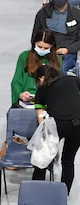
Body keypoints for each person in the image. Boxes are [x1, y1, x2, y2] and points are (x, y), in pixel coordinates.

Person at [32, 65, 80, 194]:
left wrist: (44, 132)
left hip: (57, 125)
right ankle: (63, 196)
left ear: (42, 77)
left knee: (42, 159)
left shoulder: (42, 89)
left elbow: (39, 113)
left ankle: (36, 194)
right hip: (78, 125)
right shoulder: (72, 80)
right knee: (68, 161)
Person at [32, 0, 80, 75]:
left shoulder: (77, 14)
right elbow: (35, 37)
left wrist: (67, 50)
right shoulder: (42, 14)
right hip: (46, 52)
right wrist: (43, 49)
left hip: (67, 54)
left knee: (58, 71)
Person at [10, 29, 60, 108]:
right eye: (40, 47)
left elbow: (60, 83)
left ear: (52, 46)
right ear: (34, 44)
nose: (42, 50)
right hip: (27, 98)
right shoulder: (24, 56)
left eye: (46, 48)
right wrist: (20, 94)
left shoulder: (58, 60)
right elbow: (17, 80)